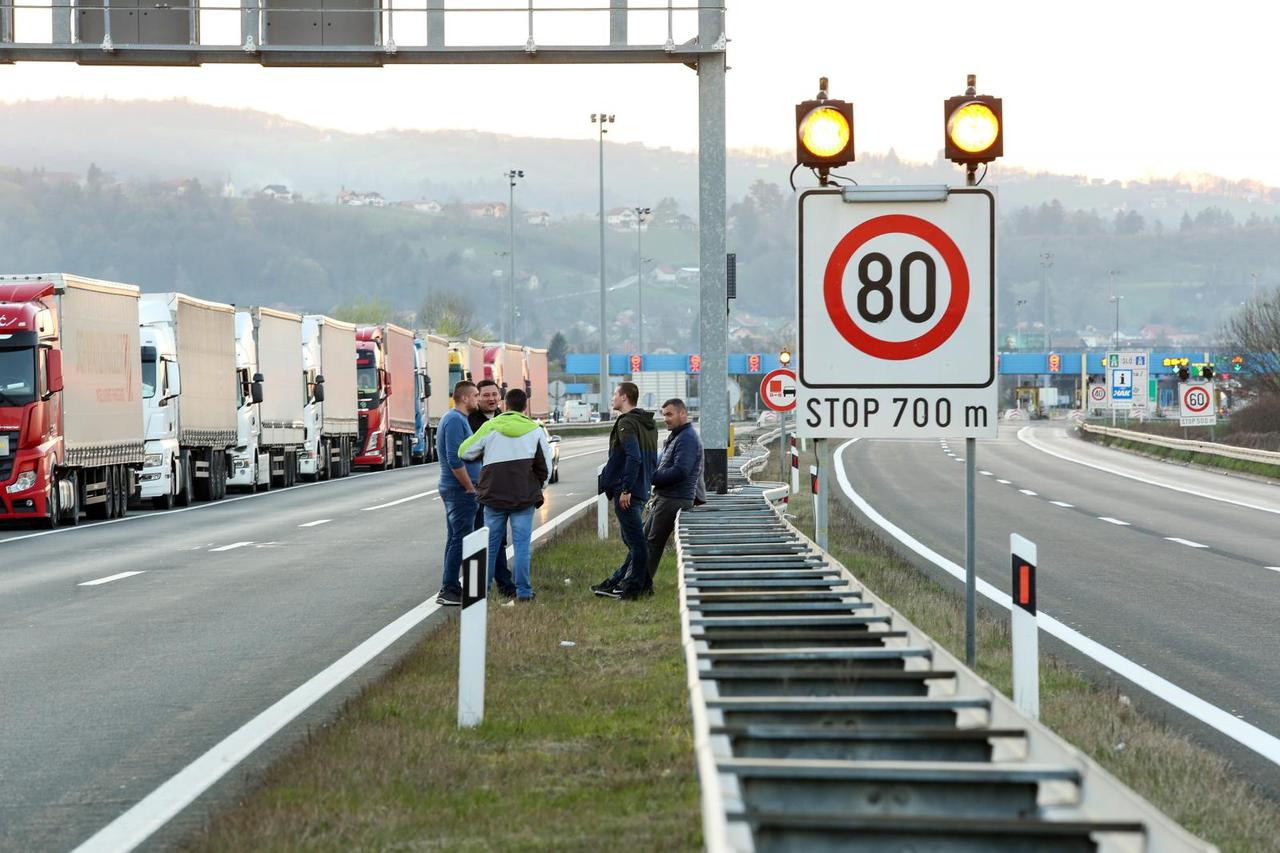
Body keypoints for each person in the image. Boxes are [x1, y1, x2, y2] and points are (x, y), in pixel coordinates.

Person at [460, 387, 553, 602]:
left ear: (505, 405)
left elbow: (464, 452)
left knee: (491, 545)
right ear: (525, 407)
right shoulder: (535, 430)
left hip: (493, 496)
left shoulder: (490, 426)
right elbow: (545, 467)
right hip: (524, 496)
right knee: (522, 545)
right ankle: (524, 592)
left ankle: (482, 592)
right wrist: (539, 488)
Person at [591, 382, 658, 600]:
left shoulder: (627, 423)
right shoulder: (647, 423)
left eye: (615, 394)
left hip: (628, 491)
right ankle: (628, 583)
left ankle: (631, 589)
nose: (612, 398)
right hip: (642, 487)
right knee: (632, 541)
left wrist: (626, 488)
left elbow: (634, 456)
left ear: (625, 397)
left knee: (637, 544)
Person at [639, 398, 704, 591]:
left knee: (653, 543)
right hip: (666, 497)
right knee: (645, 539)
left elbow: (681, 471)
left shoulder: (687, 438)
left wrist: (653, 477)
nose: (665, 418)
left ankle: (642, 586)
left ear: (682, 413)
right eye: (664, 414)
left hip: (674, 498)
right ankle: (636, 582)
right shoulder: (677, 436)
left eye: (669, 414)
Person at [469, 379, 515, 598]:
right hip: (479, 487)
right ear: (477, 397)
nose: (491, 399)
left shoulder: (506, 420)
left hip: (502, 487)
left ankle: (501, 584)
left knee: (498, 538)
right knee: (480, 538)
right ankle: (481, 588)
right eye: (486, 395)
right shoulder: (470, 421)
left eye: (494, 395)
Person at [436, 381, 480, 606]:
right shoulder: (454, 420)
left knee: (455, 537)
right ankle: (449, 588)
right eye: (475, 395)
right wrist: (470, 487)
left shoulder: (458, 419)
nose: (477, 399)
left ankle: (451, 585)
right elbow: (454, 459)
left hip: (458, 488)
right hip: (459, 489)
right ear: (464, 398)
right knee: (460, 538)